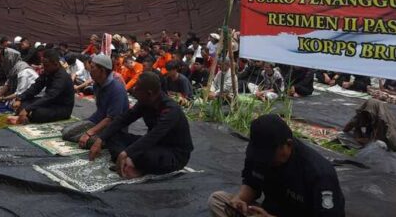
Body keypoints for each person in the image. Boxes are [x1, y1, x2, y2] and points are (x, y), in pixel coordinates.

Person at [208, 114, 345, 217]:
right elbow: (252, 182)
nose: (265, 161)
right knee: (217, 199)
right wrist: (239, 200)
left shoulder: (319, 172)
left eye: (269, 156)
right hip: (267, 211)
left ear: (288, 145)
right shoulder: (257, 156)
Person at [89, 72, 194, 178]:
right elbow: (123, 119)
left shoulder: (170, 110)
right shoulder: (145, 102)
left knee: (142, 154)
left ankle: (134, 166)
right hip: (153, 145)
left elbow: (153, 136)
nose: (133, 89)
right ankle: (129, 163)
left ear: (149, 93)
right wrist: (100, 139)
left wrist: (126, 153)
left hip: (173, 153)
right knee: (112, 136)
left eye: (137, 88)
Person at [62, 54, 129, 148]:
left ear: (102, 71)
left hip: (114, 129)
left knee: (86, 139)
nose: (90, 71)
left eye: (92, 68)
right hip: (99, 120)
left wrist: (90, 132)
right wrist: (89, 126)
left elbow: (112, 119)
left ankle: (106, 142)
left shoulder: (116, 89)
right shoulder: (97, 85)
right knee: (66, 132)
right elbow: (100, 111)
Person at [12, 49, 75, 124]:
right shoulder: (48, 71)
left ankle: (27, 115)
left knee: (37, 113)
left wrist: (27, 109)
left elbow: (49, 97)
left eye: (46, 65)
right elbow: (35, 87)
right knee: (24, 102)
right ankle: (27, 115)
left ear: (55, 64)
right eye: (43, 65)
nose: (44, 68)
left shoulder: (62, 77)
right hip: (49, 104)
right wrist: (20, 98)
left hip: (61, 108)